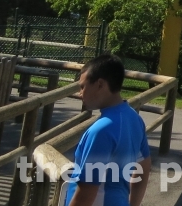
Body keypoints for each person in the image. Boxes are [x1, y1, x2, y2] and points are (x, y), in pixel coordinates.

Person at [64, 54, 151, 206]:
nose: (80, 93)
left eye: (83, 86)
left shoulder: (101, 131)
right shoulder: (134, 119)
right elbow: (144, 166)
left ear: (100, 84)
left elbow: (86, 193)